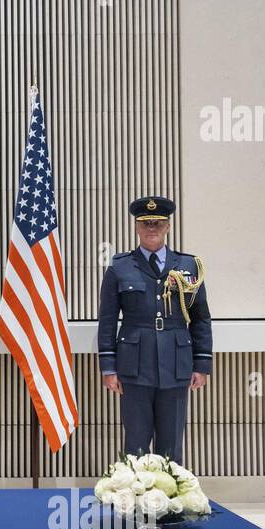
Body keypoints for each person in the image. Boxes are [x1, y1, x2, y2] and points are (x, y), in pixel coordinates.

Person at [96, 196, 212, 465]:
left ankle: (169, 499)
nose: (152, 228)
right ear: (136, 227)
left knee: (171, 441)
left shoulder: (188, 266)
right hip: (134, 365)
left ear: (168, 226)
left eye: (158, 223)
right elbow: (108, 319)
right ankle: (134, 498)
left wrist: (202, 364)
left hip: (176, 362)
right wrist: (109, 368)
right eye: (146, 223)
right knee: (136, 439)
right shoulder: (120, 266)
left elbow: (201, 318)